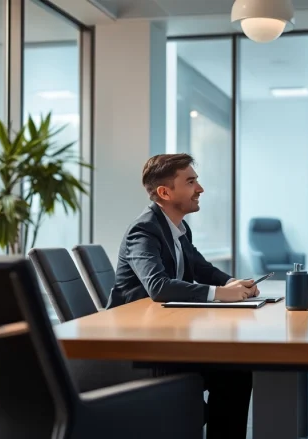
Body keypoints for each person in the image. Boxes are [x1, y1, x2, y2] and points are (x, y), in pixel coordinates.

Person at [108, 153, 255, 439]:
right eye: (190, 182)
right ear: (164, 192)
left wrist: (233, 283)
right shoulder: (145, 229)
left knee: (236, 370)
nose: (200, 189)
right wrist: (222, 294)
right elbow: (158, 286)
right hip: (139, 347)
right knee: (234, 372)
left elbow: (200, 267)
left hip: (164, 334)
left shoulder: (176, 228)